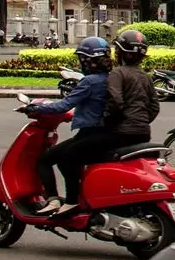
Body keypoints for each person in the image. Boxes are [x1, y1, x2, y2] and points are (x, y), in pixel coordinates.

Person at [30, 36, 114, 215]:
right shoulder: (111, 78)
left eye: (82, 59)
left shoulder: (89, 81)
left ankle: (61, 200)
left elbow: (64, 104)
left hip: (90, 134)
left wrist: (36, 107)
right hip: (106, 131)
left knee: (47, 159)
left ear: (88, 61)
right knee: (67, 156)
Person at [104, 28, 159, 147]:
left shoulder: (117, 73)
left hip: (121, 133)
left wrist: (105, 121)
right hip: (144, 132)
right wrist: (141, 121)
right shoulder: (146, 76)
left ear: (122, 53)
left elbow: (115, 102)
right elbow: (154, 107)